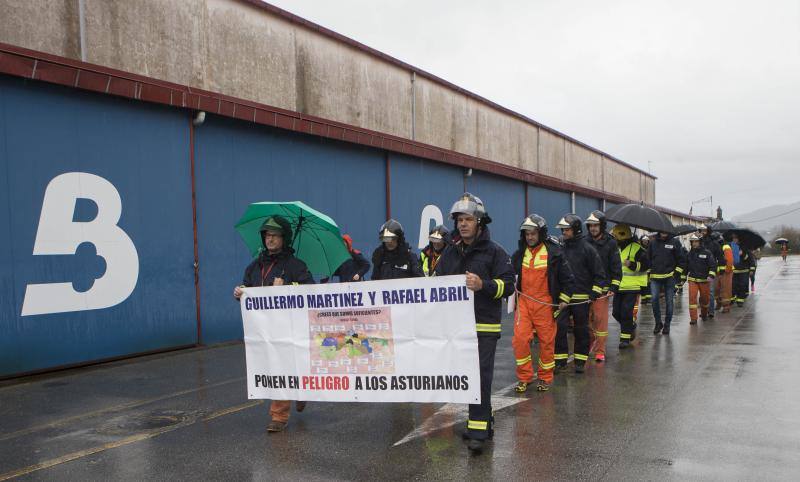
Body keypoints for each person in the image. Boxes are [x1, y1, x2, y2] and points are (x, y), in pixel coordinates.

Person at [434, 193, 515, 454]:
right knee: (463, 378)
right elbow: (437, 283)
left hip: (484, 327)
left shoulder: (495, 252)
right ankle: (483, 422)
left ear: (479, 222)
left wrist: (484, 285)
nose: (462, 224)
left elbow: (509, 285)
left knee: (479, 378)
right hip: (457, 328)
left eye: (468, 219)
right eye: (459, 220)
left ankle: (478, 431)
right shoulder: (450, 252)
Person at [233, 215, 314, 433]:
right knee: (273, 368)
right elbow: (248, 286)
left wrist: (287, 285)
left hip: (288, 328)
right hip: (262, 331)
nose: (270, 239)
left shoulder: (296, 266)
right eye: (267, 235)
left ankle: (278, 415)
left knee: (283, 367)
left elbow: (311, 290)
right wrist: (241, 292)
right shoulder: (254, 267)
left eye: (275, 235)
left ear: (284, 238)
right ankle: (300, 390)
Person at [511, 214, 574, 393]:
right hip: (524, 301)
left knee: (546, 342)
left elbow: (568, 279)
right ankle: (524, 377)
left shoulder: (554, 253)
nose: (529, 237)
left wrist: (564, 299)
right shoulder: (519, 254)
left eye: (533, 233)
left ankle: (545, 377)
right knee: (520, 340)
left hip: (545, 303)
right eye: (526, 234)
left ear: (541, 233)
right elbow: (510, 275)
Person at [554, 214, 605, 373]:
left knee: (581, 330)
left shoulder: (587, 249)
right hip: (562, 298)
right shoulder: (559, 247)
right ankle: (560, 360)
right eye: (563, 229)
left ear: (575, 230)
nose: (563, 232)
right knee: (560, 328)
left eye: (566, 229)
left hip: (581, 298)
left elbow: (599, 274)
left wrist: (594, 293)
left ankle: (580, 362)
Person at [585, 210, 621, 362]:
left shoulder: (610, 243)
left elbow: (616, 266)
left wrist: (614, 286)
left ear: (602, 226)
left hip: (603, 288)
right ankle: (590, 341)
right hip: (586, 287)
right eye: (590, 225)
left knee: (600, 319)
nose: (593, 228)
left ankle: (600, 350)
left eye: (596, 225)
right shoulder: (584, 241)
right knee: (586, 320)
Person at [611, 224, 649, 349]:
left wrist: (632, 264)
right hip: (618, 285)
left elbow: (646, 265)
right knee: (616, 313)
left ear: (622, 235)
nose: (614, 238)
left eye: (616, 236)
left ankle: (625, 339)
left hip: (632, 286)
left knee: (626, 312)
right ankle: (631, 326)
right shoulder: (615, 248)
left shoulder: (637, 248)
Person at [647, 231, 686, 335]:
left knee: (669, 302)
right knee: (654, 299)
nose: (663, 232)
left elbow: (682, 260)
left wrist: (676, 273)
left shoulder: (675, 242)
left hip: (669, 277)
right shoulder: (653, 243)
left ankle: (667, 325)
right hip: (655, 277)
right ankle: (658, 323)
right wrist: (649, 269)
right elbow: (648, 259)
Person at [685, 233, 716, 324]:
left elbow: (713, 266)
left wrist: (710, 275)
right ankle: (693, 318)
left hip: (704, 280)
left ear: (700, 242)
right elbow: (686, 267)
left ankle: (704, 313)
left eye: (696, 242)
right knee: (692, 298)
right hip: (692, 279)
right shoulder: (689, 254)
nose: (694, 243)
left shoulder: (707, 253)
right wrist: (682, 279)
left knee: (705, 299)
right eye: (693, 242)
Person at [699, 225, 724, 317]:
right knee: (702, 292)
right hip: (700, 270)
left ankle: (711, 311)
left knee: (710, 291)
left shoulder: (714, 243)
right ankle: (704, 311)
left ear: (708, 231)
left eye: (704, 230)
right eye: (701, 230)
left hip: (711, 270)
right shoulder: (699, 242)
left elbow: (720, 257)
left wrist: (721, 270)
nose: (702, 232)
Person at [714, 232, 734, 313]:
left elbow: (729, 259)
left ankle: (726, 306)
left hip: (726, 272)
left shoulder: (725, 246)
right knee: (716, 289)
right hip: (717, 272)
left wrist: (727, 270)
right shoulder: (714, 246)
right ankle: (719, 303)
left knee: (725, 289)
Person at [731, 234, 753, 307]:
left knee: (742, 286)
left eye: (736, 238)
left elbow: (750, 259)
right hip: (734, 270)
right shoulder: (731, 247)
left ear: (739, 239)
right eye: (733, 238)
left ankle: (740, 300)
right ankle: (733, 299)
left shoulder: (744, 247)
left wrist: (742, 254)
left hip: (743, 271)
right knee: (733, 286)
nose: (734, 240)